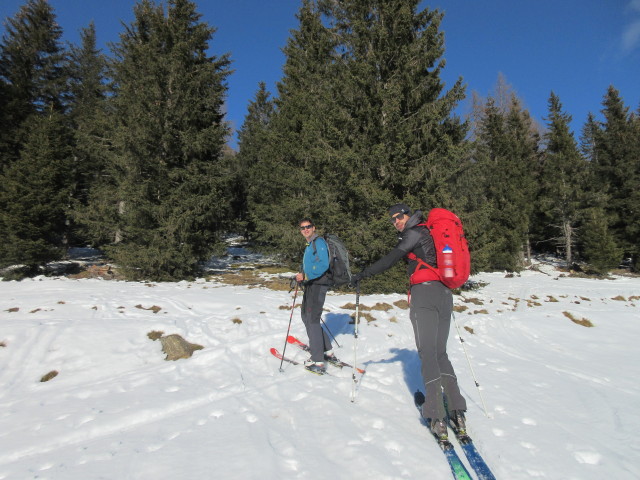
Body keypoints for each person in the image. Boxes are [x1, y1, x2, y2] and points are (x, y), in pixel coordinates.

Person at [351, 204, 467, 440]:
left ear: (410, 215)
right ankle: (457, 411)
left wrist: (363, 274)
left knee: (428, 354)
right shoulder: (431, 234)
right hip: (444, 295)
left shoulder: (414, 233)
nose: (397, 221)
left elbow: (391, 258)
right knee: (440, 353)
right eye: (393, 219)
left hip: (424, 295)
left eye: (400, 216)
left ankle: (436, 416)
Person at [294, 218, 338, 374]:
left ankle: (318, 361)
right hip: (312, 284)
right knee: (307, 317)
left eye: (308, 227)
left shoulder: (318, 242)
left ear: (314, 227)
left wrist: (305, 275)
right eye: (302, 227)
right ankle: (327, 351)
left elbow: (323, 264)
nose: (305, 229)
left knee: (311, 319)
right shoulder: (310, 243)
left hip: (318, 285)